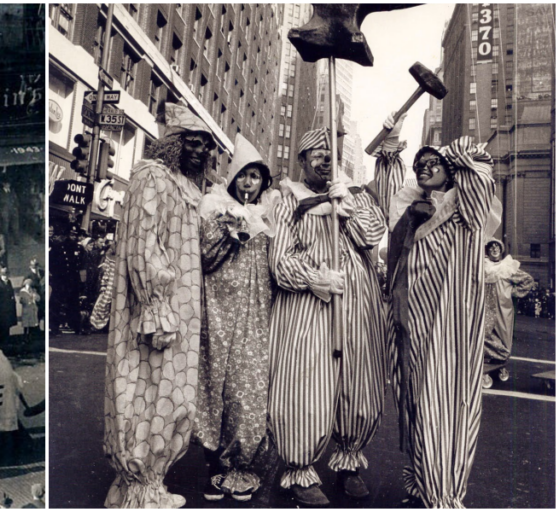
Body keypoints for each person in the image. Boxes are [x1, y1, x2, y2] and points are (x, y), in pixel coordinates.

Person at [266, 126, 387, 506]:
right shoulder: (287, 200)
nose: (323, 159)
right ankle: (300, 469)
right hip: (309, 306)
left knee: (359, 383)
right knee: (305, 384)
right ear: (301, 161)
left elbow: (375, 234)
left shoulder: (355, 195)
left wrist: (347, 210)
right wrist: (315, 276)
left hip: (358, 305)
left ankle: (350, 460)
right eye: (314, 154)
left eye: (329, 153)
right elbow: (280, 262)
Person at [384, 124, 501, 507]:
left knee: (445, 404)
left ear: (452, 169)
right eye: (419, 163)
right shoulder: (411, 210)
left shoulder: (466, 206)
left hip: (450, 323)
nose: (424, 167)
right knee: (415, 399)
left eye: (434, 162)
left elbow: (481, 172)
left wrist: (458, 152)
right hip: (413, 322)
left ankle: (443, 491)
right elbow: (394, 255)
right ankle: (421, 479)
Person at [103, 102, 211, 508]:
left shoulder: (184, 186)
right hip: (156, 312)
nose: (201, 152)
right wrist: (156, 304)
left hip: (178, 310)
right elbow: (143, 244)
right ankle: (139, 487)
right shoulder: (152, 177)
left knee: (171, 394)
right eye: (193, 143)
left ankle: (147, 486)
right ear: (173, 143)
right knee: (146, 390)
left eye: (206, 146)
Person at [195, 133, 281, 502]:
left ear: (264, 183)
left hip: (256, 314)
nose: (248, 183)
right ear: (232, 179)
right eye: (243, 175)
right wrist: (230, 229)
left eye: (255, 177)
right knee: (216, 388)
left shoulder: (270, 217)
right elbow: (206, 260)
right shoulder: (213, 208)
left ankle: (242, 466)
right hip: (218, 310)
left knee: (248, 392)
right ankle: (214, 465)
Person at [481, 238, 536, 388]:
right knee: (483, 335)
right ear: (487, 251)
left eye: (497, 247)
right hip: (486, 307)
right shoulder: (483, 267)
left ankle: (501, 365)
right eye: (491, 247)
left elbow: (528, 280)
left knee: (504, 337)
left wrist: (512, 292)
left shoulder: (507, 267)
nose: (494, 249)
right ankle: (486, 368)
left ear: (501, 249)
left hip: (504, 308)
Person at [0, 267, 18, 347]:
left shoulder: (9, 282)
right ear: (1, 275)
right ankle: (1, 344)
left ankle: (6, 342)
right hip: (2, 310)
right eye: (4, 275)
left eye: (7, 275)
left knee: (8, 326)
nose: (5, 276)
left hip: (9, 309)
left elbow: (11, 293)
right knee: (2, 327)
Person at [18, 278, 40, 347]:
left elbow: (38, 299)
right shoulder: (22, 291)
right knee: (25, 325)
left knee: (31, 325)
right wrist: (25, 302)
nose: (29, 286)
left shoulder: (33, 291)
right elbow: (20, 301)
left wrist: (35, 297)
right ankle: (25, 338)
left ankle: (30, 338)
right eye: (27, 285)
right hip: (26, 309)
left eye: (30, 285)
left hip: (32, 310)